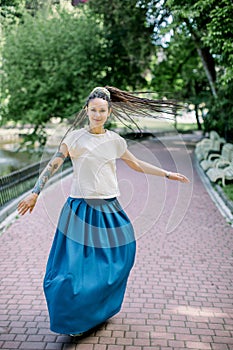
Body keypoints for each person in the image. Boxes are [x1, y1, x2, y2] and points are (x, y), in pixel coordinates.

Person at [18, 86, 189, 337]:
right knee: (71, 271)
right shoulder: (74, 137)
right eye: (93, 110)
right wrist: (35, 191)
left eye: (102, 110)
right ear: (86, 110)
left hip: (109, 209)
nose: (97, 114)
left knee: (121, 257)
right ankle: (72, 320)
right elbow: (53, 165)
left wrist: (167, 173)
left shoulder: (115, 141)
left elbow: (137, 165)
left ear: (109, 112)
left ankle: (97, 311)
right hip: (79, 210)